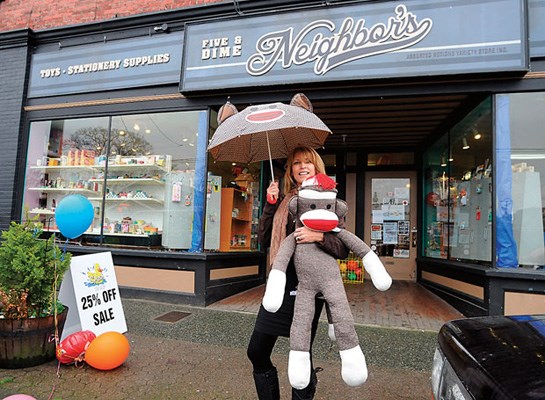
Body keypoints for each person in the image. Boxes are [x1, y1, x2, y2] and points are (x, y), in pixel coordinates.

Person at [247, 146, 349, 400]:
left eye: (307, 162)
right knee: (257, 351)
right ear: (290, 171)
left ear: (316, 166)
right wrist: (271, 205)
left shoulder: (328, 200)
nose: (302, 166)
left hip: (308, 287)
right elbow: (263, 239)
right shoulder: (285, 201)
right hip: (280, 283)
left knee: (301, 358)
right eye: (296, 163)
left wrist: (320, 237)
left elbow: (344, 248)